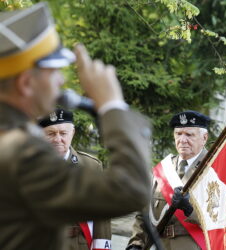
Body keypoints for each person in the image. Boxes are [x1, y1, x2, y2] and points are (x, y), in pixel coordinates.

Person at [0, 3, 151, 250]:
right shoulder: (22, 153)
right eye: (54, 71)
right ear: (26, 83)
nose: (62, 81)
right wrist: (112, 105)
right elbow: (130, 190)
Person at [127, 110, 210, 250]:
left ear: (204, 138)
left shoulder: (214, 168)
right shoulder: (164, 169)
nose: (182, 140)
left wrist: (189, 209)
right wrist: (136, 243)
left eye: (189, 134)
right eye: (178, 134)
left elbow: (224, 221)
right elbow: (144, 213)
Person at [38, 109, 112, 250]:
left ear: (72, 133)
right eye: (51, 133)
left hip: (76, 244)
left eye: (63, 133)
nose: (57, 139)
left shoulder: (91, 167)